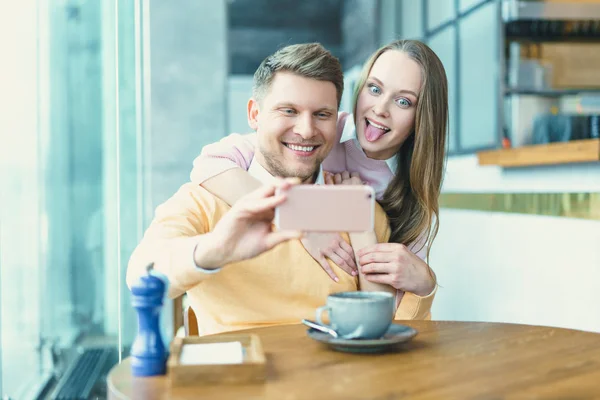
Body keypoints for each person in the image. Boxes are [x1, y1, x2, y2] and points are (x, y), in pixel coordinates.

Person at [127, 43, 434, 336]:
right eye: (288, 111)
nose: (305, 130)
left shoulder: (362, 209)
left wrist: (425, 283)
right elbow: (140, 275)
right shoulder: (204, 199)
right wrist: (215, 250)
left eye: (322, 114)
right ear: (254, 115)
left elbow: (388, 331)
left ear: (337, 121)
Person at [190, 39, 447, 303]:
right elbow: (210, 162)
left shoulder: (411, 197)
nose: (380, 109)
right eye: (374, 89)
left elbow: (389, 307)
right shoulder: (317, 130)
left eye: (403, 101)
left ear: (422, 117)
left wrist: (426, 281)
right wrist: (302, 220)